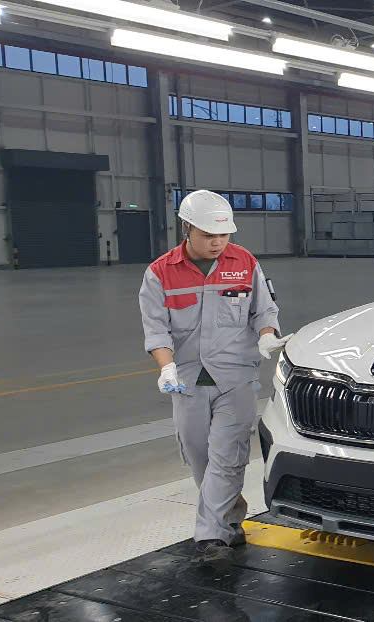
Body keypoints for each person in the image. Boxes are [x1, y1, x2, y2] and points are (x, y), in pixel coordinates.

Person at [139, 190, 292, 564]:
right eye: (209, 235)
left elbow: (263, 310)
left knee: (227, 457)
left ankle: (210, 539)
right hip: (188, 380)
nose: (218, 242)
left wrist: (268, 336)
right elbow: (156, 329)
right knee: (200, 459)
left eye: (224, 235)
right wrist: (166, 367)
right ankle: (228, 521)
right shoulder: (160, 273)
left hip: (235, 377)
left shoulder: (244, 263)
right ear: (187, 227)